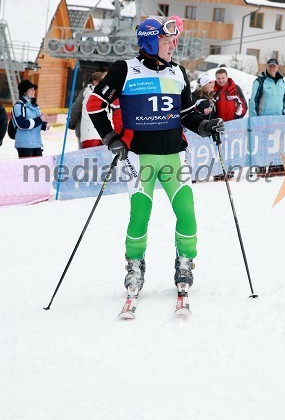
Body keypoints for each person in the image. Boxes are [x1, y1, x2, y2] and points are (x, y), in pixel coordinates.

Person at [86, 16, 224, 298]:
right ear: (150, 41)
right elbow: (94, 104)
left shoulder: (178, 73)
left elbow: (186, 114)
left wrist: (205, 126)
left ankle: (185, 261)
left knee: (186, 211)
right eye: (167, 40)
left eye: (174, 39)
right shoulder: (125, 69)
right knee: (140, 215)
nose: (174, 44)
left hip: (174, 157)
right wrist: (110, 137)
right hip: (139, 158)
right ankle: (135, 266)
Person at [250, 58, 285, 177]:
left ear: (278, 67)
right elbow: (253, 101)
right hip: (263, 120)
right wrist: (254, 119)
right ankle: (261, 167)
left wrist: (283, 114)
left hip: (278, 120)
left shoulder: (282, 81)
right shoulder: (260, 81)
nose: (272, 68)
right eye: (270, 66)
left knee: (276, 144)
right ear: (266, 67)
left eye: (274, 66)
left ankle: (276, 167)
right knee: (263, 144)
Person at [214, 68, 248, 180]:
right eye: (218, 78)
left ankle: (230, 170)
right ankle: (219, 171)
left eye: (223, 78)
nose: (221, 80)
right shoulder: (213, 89)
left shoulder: (235, 88)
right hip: (218, 126)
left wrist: (237, 118)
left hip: (232, 124)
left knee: (230, 148)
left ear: (227, 77)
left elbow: (243, 105)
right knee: (218, 149)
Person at [12, 80, 49, 158]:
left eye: (34, 89)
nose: (34, 91)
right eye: (31, 89)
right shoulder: (18, 106)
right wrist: (39, 120)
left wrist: (44, 125)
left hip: (37, 144)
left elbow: (38, 123)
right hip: (24, 145)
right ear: (24, 92)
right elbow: (22, 125)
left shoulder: (35, 106)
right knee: (26, 169)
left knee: (37, 169)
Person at [80, 71, 107, 148]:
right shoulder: (91, 94)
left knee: (100, 158)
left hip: (101, 133)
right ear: (95, 82)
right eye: (102, 81)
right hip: (91, 133)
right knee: (89, 158)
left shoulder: (101, 93)